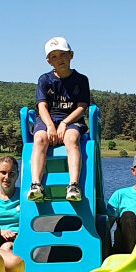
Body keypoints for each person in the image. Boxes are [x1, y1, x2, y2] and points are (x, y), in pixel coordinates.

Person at [27, 36, 90, 202]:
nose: (59, 59)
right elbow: (42, 106)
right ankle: (36, 185)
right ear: (48, 61)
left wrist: (64, 123)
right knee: (39, 138)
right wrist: (49, 126)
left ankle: (73, 185)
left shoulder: (81, 80)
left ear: (71, 55)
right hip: (48, 118)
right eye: (54, 56)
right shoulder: (45, 80)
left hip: (71, 119)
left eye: (62, 54)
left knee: (71, 138)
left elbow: (82, 107)